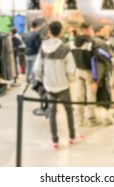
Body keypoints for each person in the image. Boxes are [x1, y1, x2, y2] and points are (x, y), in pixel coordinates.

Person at [33, 21, 82, 150]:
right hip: (63, 86)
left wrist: (42, 79)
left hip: (49, 86)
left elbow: (37, 68)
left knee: (52, 113)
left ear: (50, 31)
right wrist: (69, 80)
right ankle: (72, 137)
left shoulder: (43, 47)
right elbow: (72, 69)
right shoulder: (65, 48)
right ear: (60, 31)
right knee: (69, 111)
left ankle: (55, 141)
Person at [70, 22, 100, 127]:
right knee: (90, 95)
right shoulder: (91, 42)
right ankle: (91, 120)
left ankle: (79, 120)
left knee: (79, 96)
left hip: (78, 70)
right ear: (87, 29)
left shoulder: (73, 42)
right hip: (89, 72)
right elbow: (97, 57)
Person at [93, 25, 113, 126]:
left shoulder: (92, 41)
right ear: (97, 31)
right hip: (102, 73)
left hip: (94, 74)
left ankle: (96, 117)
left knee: (96, 96)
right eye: (103, 30)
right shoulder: (101, 43)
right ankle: (105, 119)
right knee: (105, 95)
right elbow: (108, 57)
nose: (105, 31)